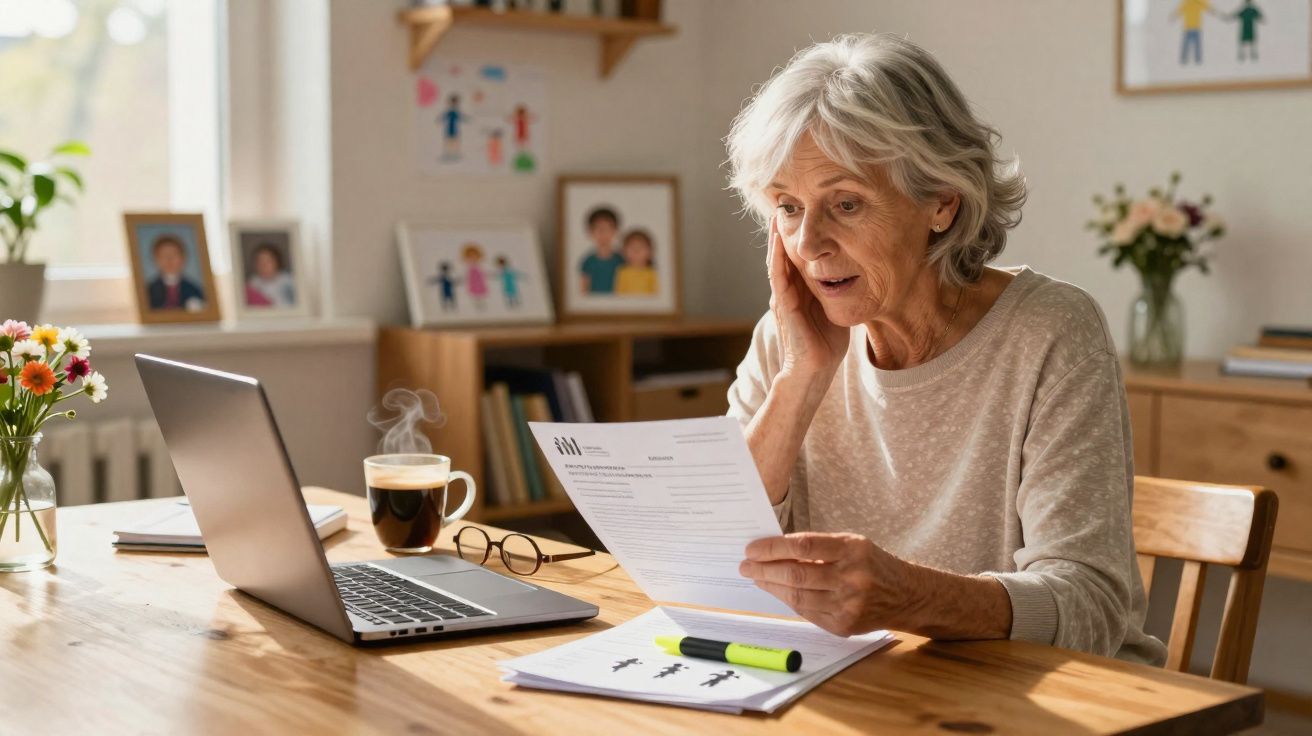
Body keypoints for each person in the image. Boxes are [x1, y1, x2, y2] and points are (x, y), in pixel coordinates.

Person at [724, 33, 1166, 665]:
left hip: (1048, 698)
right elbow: (718, 564)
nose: (810, 242)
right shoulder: (790, 335)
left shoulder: (1052, 332)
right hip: (877, 690)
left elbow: (1091, 606)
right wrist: (802, 375)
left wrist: (909, 597)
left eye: (845, 203)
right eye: (788, 208)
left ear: (941, 203)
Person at [146, 234, 205, 311]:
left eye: (174, 254)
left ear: (183, 258)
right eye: (164, 255)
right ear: (156, 259)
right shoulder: (148, 291)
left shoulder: (194, 290)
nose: (169, 260)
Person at [578, 207, 625, 295]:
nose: (603, 234)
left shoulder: (622, 259)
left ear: (615, 231)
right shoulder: (588, 261)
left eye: (607, 229)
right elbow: (583, 290)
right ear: (590, 232)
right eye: (599, 229)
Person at [244, 243, 295, 308]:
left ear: (277, 262)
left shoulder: (289, 281)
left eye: (268, 261)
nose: (263, 266)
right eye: (260, 262)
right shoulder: (252, 284)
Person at [614, 229, 658, 295]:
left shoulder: (652, 273)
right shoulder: (622, 272)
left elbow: (656, 295)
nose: (636, 251)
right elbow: (618, 295)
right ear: (624, 252)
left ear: (650, 252)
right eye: (631, 247)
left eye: (641, 247)